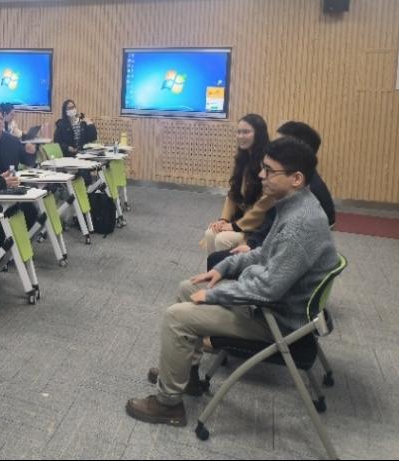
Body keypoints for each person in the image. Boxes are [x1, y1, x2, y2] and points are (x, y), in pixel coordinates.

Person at [125, 136, 340, 427]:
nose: (261, 175)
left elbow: (268, 289)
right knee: (187, 288)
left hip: (274, 320)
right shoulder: (295, 205)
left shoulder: (300, 225)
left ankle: (168, 405)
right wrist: (224, 268)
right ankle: (187, 377)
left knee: (176, 317)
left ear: (296, 178)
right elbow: (264, 253)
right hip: (269, 306)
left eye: (269, 170)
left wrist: (214, 295)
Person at [206, 121, 337, 269]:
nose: (262, 175)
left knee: (217, 256)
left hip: (273, 254)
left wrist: (249, 243)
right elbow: (271, 219)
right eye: (239, 132)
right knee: (213, 242)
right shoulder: (294, 180)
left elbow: (283, 257)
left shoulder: (304, 193)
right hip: (263, 238)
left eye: (246, 132)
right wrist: (227, 222)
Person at [202, 114, 272, 255]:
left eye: (246, 132)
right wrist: (223, 220)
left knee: (222, 239)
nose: (240, 136)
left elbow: (265, 206)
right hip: (242, 219)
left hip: (259, 227)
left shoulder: (267, 162)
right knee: (210, 233)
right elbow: (233, 194)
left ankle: (230, 268)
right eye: (239, 132)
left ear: (259, 134)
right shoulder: (243, 158)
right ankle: (214, 268)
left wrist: (234, 226)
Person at [0, 106, 37, 174]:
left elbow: (28, 162)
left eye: (1, 118)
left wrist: (31, 153)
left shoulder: (13, 141)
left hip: (12, 179)